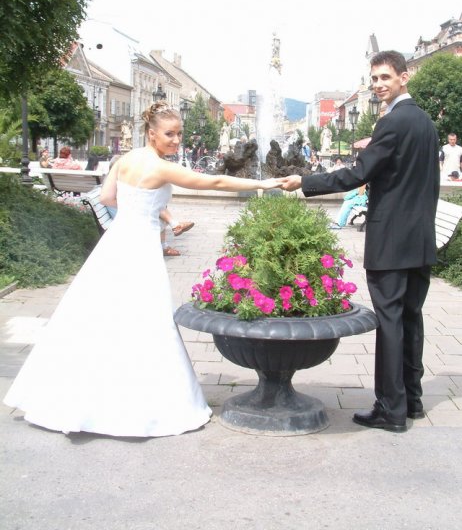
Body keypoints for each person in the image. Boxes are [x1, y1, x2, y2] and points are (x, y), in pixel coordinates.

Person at [4, 101, 281, 438]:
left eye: (179, 133)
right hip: (141, 248)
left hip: (115, 242)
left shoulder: (125, 160)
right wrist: (266, 184)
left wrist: (143, 208)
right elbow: (216, 182)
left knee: (95, 316)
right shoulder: (160, 168)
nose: (176, 140)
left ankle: (79, 397)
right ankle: (139, 404)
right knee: (147, 317)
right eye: (170, 134)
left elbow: (107, 197)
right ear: (151, 134)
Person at [280, 50, 440, 433]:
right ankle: (412, 400)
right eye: (374, 79)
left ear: (404, 77)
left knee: (391, 322)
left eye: (385, 77)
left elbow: (358, 174)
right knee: (410, 318)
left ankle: (390, 409)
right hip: (420, 239)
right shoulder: (425, 122)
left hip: (392, 241)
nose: (379, 85)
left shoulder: (392, 122)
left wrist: (305, 182)